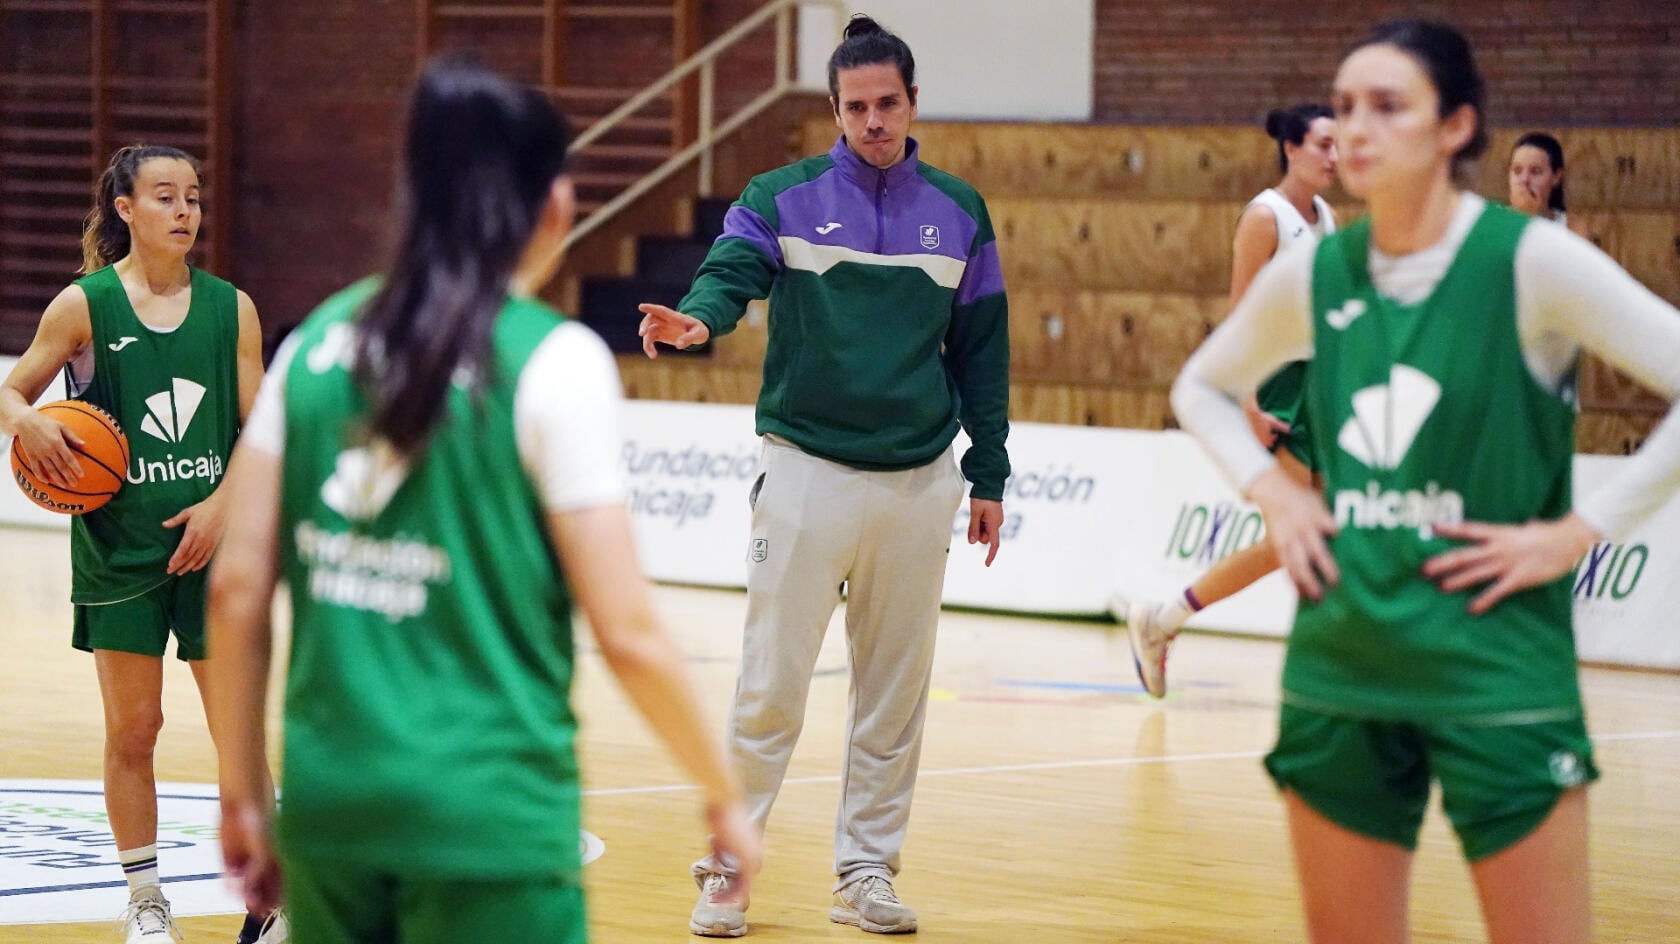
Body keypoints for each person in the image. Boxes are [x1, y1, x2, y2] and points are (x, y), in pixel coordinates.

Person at [204, 57, 757, 944]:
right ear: (552, 206)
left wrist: (240, 795)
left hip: (332, 805)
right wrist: (722, 793)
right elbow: (628, 630)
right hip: (488, 820)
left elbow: (234, 593)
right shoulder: (553, 359)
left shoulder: (311, 347)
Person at [1171, 18, 1680, 944]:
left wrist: (1582, 529)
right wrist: (1278, 494)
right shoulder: (1319, 268)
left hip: (1497, 662)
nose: (1356, 128)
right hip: (1345, 657)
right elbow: (1199, 386)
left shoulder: (1530, 261)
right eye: (1346, 107)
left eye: (1388, 107)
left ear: (1455, 128)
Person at [637, 14, 1010, 937]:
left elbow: (983, 351)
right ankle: (729, 870)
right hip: (804, 473)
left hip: (920, 482)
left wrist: (989, 471)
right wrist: (700, 320)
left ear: (913, 102)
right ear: (833, 112)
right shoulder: (781, 194)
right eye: (855, 107)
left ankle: (866, 875)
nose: (873, 120)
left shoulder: (960, 211)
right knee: (769, 688)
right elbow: (731, 271)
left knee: (894, 693)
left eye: (888, 103)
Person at [0, 145, 281, 944]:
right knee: (135, 730)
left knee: (240, 733)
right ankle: (147, 898)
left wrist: (225, 504)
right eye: (165, 196)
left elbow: (263, 431)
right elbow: (11, 391)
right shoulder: (83, 306)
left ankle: (267, 899)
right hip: (118, 550)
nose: (185, 210)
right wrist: (28, 421)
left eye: (193, 196)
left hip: (217, 549)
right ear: (125, 210)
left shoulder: (234, 308)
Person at [1117, 103, 1338, 698]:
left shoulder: (1328, 219)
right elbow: (1242, 318)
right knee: (1303, 534)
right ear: (1291, 149)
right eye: (1323, 144)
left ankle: (1163, 619)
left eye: (1338, 146)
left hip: (1320, 390)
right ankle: (1167, 620)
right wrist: (1246, 403)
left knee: (1315, 535)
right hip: (1280, 392)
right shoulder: (1265, 218)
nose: (1334, 157)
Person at [1508, 131, 1572, 227]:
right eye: (1517, 171)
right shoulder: (1493, 222)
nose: (1524, 180)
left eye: (1535, 171)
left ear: (1556, 177)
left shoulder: (1574, 228)